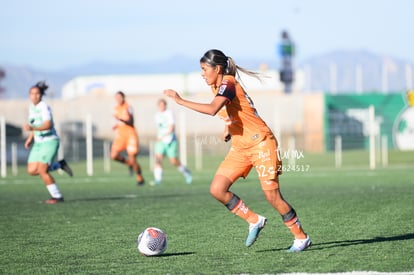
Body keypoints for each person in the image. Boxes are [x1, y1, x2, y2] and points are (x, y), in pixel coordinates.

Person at [164, 49, 311, 251]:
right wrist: (228, 128)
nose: (202, 73)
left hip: (261, 143)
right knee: (217, 189)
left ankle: (301, 237)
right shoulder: (217, 85)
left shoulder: (228, 82)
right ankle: (254, 220)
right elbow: (233, 110)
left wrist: (180, 101)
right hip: (241, 147)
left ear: (217, 68)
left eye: (204, 69)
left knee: (272, 196)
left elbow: (212, 109)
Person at [24, 81, 73, 204]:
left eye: (37, 93)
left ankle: (57, 196)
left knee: (42, 171)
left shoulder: (44, 107)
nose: (34, 96)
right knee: (31, 170)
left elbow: (47, 124)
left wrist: (32, 129)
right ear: (29, 95)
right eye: (32, 93)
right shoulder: (31, 108)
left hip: (50, 141)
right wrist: (30, 138)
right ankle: (59, 165)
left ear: (41, 95)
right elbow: (35, 124)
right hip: (38, 143)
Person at [152, 98, 192, 185]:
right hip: (160, 141)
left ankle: (187, 173)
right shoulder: (157, 115)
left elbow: (172, 127)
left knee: (173, 161)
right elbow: (159, 128)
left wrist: (164, 136)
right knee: (158, 159)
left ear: (165, 105)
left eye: (163, 105)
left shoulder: (169, 113)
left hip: (170, 140)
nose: (161, 107)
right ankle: (158, 179)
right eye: (160, 105)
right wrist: (159, 137)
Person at [111, 91, 145, 186]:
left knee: (133, 158)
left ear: (123, 97)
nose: (118, 99)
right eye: (116, 97)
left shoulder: (128, 107)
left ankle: (140, 178)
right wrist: (116, 126)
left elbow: (131, 121)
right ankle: (128, 164)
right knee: (113, 155)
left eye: (119, 97)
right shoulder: (116, 108)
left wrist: (120, 119)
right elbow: (120, 121)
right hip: (121, 135)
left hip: (130, 134)